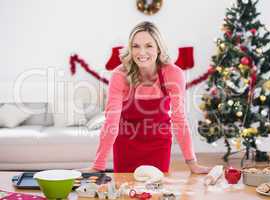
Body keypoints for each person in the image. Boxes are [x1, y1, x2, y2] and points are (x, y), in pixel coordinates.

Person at [82, 21, 210, 174]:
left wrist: (192, 163)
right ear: (130, 49)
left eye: (148, 46)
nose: (141, 52)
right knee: (125, 193)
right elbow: (111, 122)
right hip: (126, 146)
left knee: (155, 192)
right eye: (136, 46)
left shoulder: (173, 74)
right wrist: (98, 165)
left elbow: (179, 119)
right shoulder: (119, 75)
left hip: (159, 145)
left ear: (158, 48)